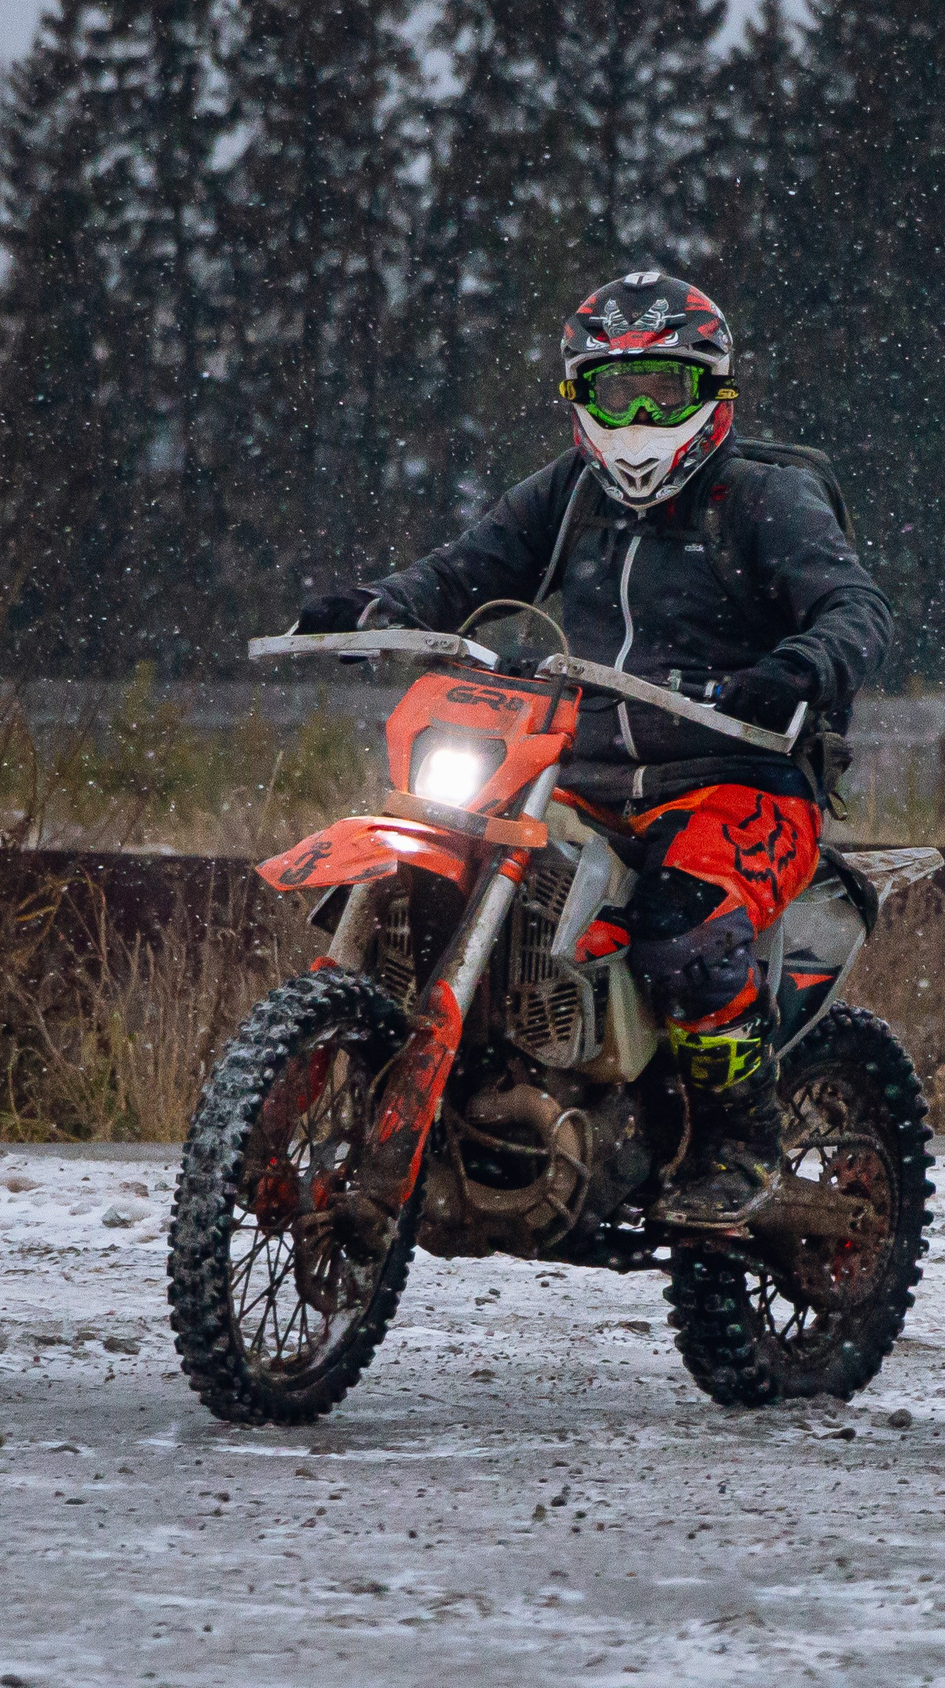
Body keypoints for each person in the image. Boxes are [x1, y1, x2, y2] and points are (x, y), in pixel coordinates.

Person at [293, 271, 893, 1230]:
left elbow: (856, 607)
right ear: (580, 397)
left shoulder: (763, 500)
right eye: (618, 391)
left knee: (681, 928)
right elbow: (465, 572)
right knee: (437, 861)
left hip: (736, 778)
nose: (642, 413)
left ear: (715, 394)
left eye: (665, 388)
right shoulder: (569, 495)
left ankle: (736, 1142)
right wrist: (380, 609)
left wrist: (799, 666)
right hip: (575, 773)